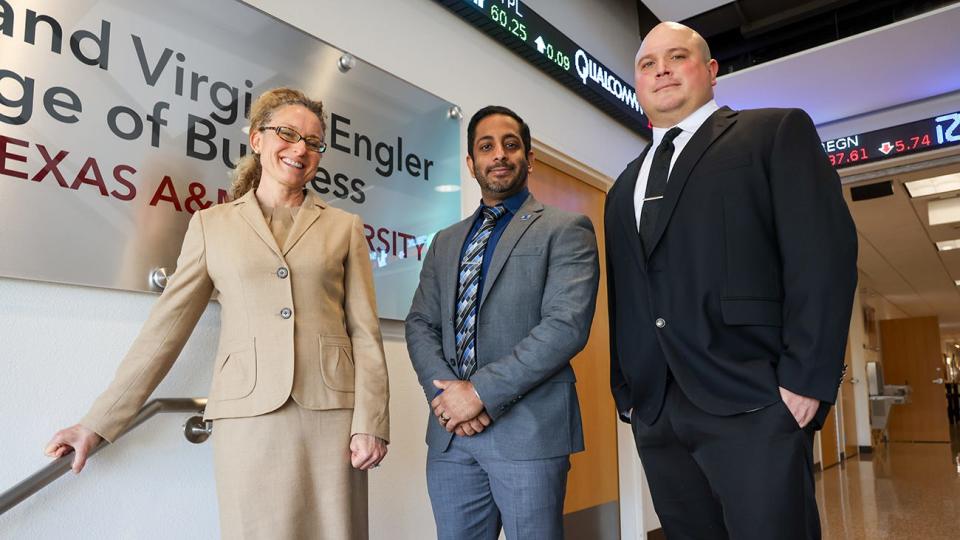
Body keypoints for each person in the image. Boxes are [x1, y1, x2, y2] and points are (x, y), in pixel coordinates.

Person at [44, 87, 390, 539]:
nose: (300, 148)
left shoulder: (344, 227)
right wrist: (98, 422)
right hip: (248, 418)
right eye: (287, 133)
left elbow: (365, 334)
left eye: (313, 141)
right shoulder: (212, 225)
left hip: (333, 417)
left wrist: (372, 422)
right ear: (256, 139)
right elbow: (165, 331)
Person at [605, 22, 857, 539]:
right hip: (657, 411)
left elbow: (822, 257)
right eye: (648, 65)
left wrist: (807, 379)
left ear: (712, 71)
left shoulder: (773, 133)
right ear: (638, 85)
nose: (662, 71)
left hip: (754, 399)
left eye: (677, 57)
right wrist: (627, 390)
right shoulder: (623, 186)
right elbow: (629, 292)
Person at [405, 105, 599, 539]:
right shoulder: (445, 241)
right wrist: (448, 399)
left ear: (528, 159)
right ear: (471, 164)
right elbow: (420, 323)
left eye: (511, 145)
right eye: (486, 146)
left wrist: (479, 393)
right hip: (451, 436)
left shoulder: (565, 228)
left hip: (529, 433)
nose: (500, 154)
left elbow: (565, 326)